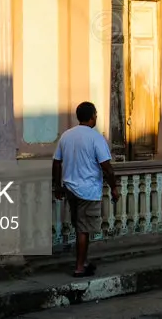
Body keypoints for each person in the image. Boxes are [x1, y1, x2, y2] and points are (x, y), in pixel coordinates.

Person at [53, 101, 119, 277]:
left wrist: (57, 186)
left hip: (70, 188)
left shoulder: (66, 136)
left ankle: (84, 261)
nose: (96, 117)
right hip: (88, 191)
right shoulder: (96, 137)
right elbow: (107, 167)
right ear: (92, 117)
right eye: (96, 115)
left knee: (80, 227)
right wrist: (114, 187)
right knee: (83, 229)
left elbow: (56, 162)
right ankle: (80, 267)